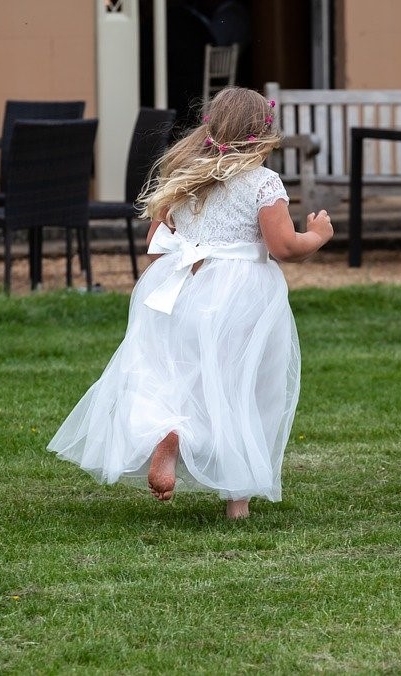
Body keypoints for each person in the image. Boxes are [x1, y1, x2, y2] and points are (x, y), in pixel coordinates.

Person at [47, 87, 333, 519]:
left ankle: (171, 429)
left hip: (177, 287)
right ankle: (237, 503)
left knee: (177, 374)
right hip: (241, 294)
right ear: (263, 132)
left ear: (211, 127)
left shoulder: (185, 174)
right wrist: (317, 235)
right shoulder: (262, 183)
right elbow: (284, 247)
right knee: (244, 386)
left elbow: (157, 244)